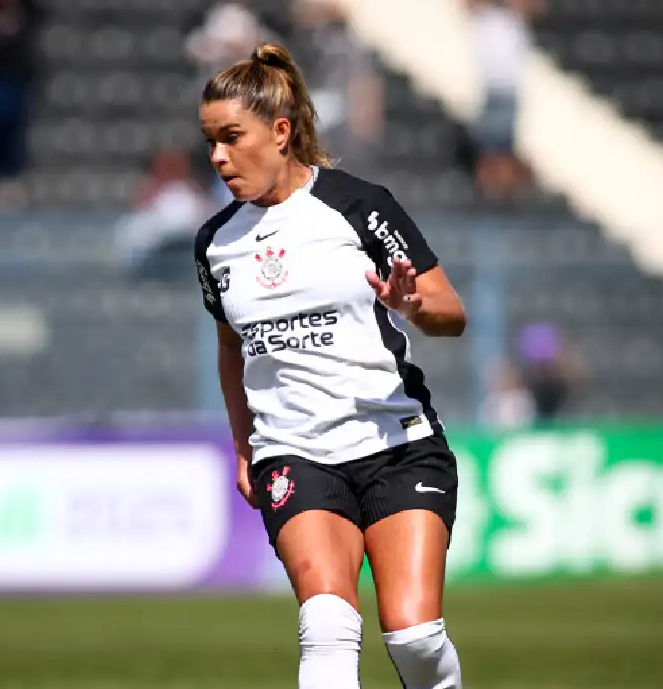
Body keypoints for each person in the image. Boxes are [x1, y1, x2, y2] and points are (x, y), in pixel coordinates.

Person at [194, 43, 467, 689]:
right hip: (295, 454)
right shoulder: (215, 243)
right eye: (210, 141)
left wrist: (413, 306)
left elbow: (451, 312)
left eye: (232, 137)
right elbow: (231, 346)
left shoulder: (359, 205)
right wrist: (243, 441)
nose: (217, 157)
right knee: (326, 629)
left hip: (397, 445)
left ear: (281, 131)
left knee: (416, 638)